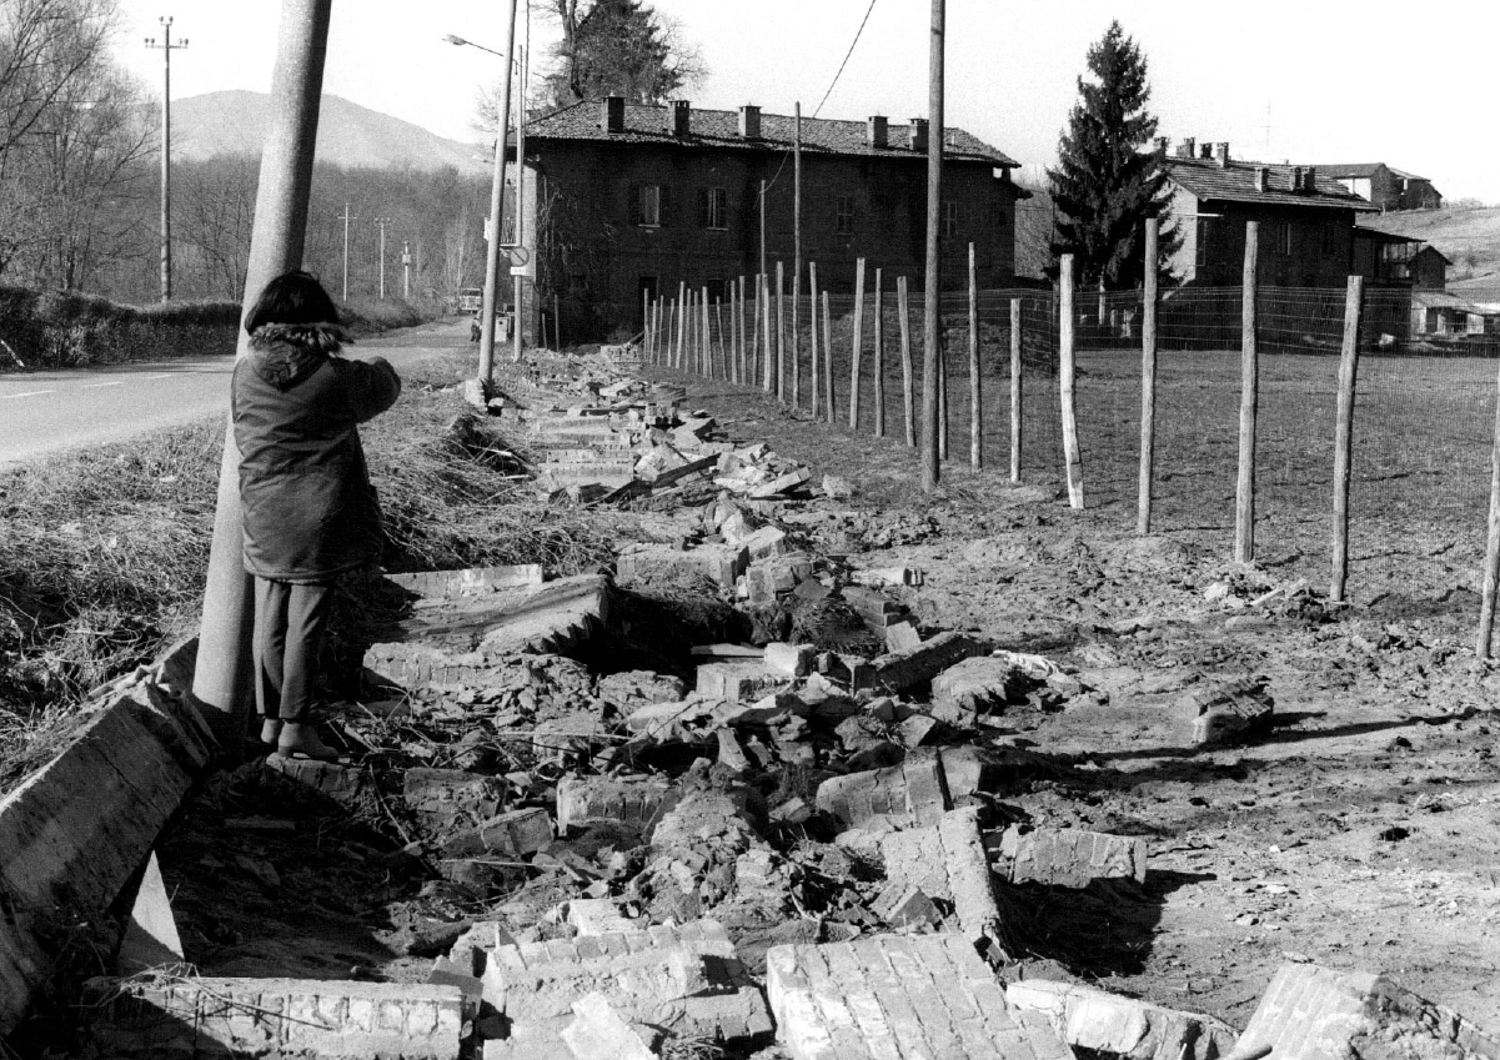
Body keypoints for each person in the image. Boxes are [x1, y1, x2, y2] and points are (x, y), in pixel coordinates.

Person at [232, 270, 401, 760]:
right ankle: (297, 728)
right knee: (308, 620)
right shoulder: (333, 376)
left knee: (271, 617)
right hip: (316, 516)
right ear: (319, 319)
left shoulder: (244, 373)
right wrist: (377, 362)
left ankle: (269, 723)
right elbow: (384, 388)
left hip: (263, 512)